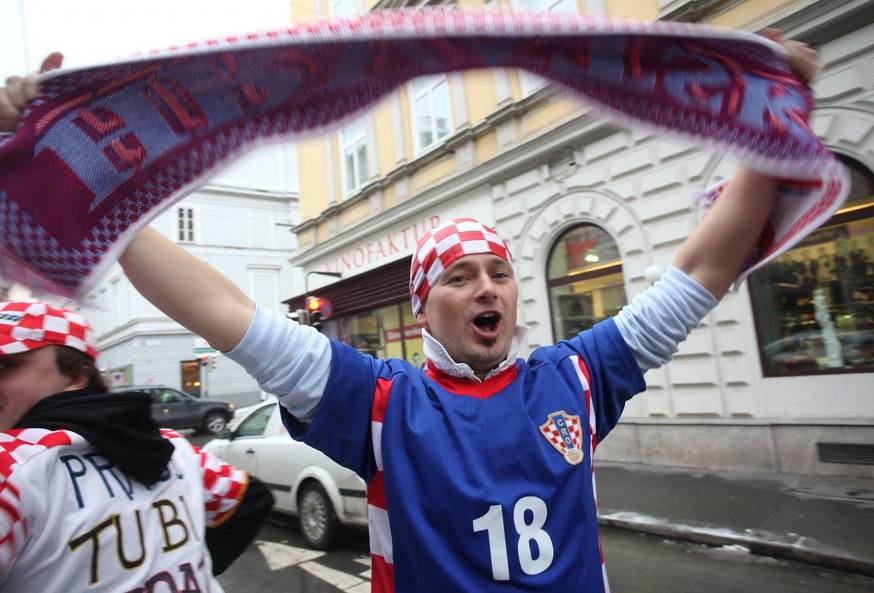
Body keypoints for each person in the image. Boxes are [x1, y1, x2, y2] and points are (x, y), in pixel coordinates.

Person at [1, 31, 819, 592]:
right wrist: (88, 193)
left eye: (499, 272)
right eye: (461, 276)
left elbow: (703, 270)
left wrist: (778, 118)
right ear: (424, 305)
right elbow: (223, 312)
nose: (488, 287)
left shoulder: (575, 374)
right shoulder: (382, 402)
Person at [0, 300, 273, 592]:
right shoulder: (173, 447)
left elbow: (251, 498)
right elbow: (248, 497)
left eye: (6, 365)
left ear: (76, 377)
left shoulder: (13, 465)